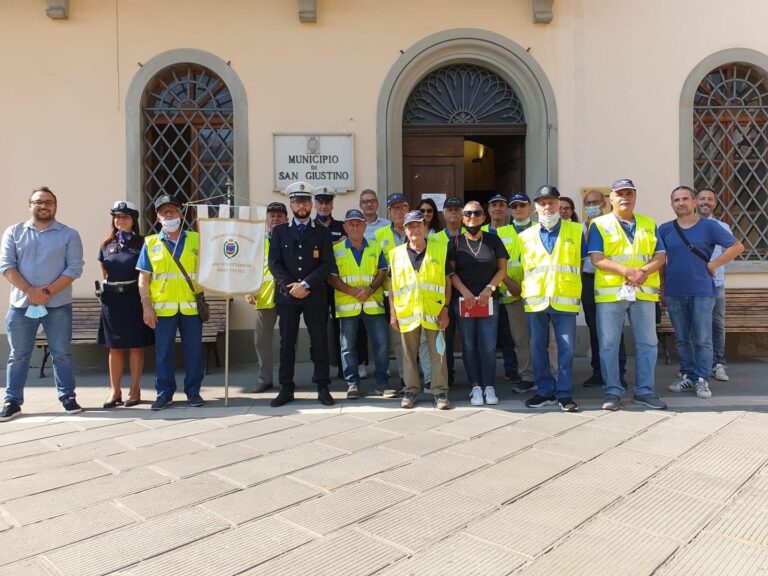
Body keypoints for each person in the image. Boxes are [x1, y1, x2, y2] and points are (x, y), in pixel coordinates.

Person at [0, 186, 84, 421]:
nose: (44, 205)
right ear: (30, 205)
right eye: (38, 201)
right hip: (21, 305)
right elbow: (6, 266)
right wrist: (29, 291)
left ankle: (67, 397)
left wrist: (46, 291)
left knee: (62, 353)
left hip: (57, 305)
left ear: (56, 207)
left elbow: (74, 268)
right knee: (18, 354)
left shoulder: (69, 234)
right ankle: (12, 401)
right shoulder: (13, 232)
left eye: (49, 202)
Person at [588, 179, 667, 411]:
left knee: (648, 342)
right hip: (611, 294)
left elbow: (660, 256)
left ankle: (644, 392)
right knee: (609, 343)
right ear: (610, 198)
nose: (625, 197)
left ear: (635, 196)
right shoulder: (599, 224)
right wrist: (627, 271)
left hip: (643, 292)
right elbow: (597, 258)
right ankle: (612, 391)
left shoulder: (648, 223)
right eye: (620, 193)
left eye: (629, 193)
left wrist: (642, 272)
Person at [659, 186, 743, 399]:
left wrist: (715, 263)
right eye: (676, 200)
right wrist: (662, 288)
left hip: (703, 292)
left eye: (685, 198)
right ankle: (687, 375)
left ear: (694, 202)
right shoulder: (665, 229)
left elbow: (736, 247)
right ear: (672, 204)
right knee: (682, 338)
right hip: (675, 292)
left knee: (703, 338)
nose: (681, 203)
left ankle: (702, 379)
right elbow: (660, 261)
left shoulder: (710, 227)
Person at [269, 182, 335, 407]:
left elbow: (327, 263)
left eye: (306, 201)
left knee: (319, 341)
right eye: (297, 201)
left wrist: (306, 284)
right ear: (291, 204)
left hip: (314, 294)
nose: (302, 205)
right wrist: (291, 286)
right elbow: (274, 264)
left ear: (311, 204)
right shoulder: (279, 232)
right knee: (287, 343)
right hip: (287, 297)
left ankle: (323, 387)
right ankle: (285, 388)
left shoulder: (322, 232)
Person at [137, 194, 206, 411]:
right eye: (164, 212)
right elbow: (143, 278)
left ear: (181, 214)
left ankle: (193, 392)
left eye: (173, 211)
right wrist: (146, 306)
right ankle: (164, 393)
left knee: (194, 352)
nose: (169, 215)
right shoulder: (150, 243)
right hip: (163, 309)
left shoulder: (196, 239)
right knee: (164, 353)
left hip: (190, 306)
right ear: (158, 218)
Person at [519, 186, 584, 413]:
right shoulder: (524, 236)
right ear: (535, 208)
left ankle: (564, 394)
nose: (548, 207)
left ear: (559, 205)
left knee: (565, 349)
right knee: (537, 347)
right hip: (535, 300)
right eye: (543, 203)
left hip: (564, 298)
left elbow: (583, 263)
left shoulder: (576, 231)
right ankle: (545, 391)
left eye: (552, 202)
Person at [388, 210, 452, 410]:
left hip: (434, 311)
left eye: (418, 225)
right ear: (405, 230)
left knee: (438, 354)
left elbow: (447, 282)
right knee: (408, 355)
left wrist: (445, 309)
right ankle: (410, 390)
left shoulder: (440, 249)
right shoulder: (395, 254)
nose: (414, 229)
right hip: (406, 312)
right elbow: (392, 286)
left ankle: (440, 392)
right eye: (410, 226)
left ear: (425, 227)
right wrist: (393, 312)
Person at [449, 201, 509, 405]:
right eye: (467, 214)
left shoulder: (493, 240)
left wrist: (489, 288)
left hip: (489, 300)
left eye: (476, 213)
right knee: (469, 345)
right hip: (464, 301)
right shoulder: (455, 242)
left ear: (484, 218)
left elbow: (502, 269)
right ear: (462, 218)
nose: (472, 217)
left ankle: (489, 386)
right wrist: (464, 292)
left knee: (489, 346)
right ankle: (475, 387)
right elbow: (451, 273)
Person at [98, 201, 155, 408]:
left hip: (134, 298)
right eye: (117, 216)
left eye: (125, 217)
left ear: (133, 220)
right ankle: (115, 391)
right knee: (114, 347)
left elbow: (146, 273)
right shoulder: (107, 244)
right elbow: (103, 269)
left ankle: (135, 388)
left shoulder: (143, 243)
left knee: (136, 345)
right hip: (112, 300)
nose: (120, 220)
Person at [327, 209, 389, 399]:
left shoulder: (376, 246)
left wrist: (369, 289)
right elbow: (331, 278)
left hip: (373, 303)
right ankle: (352, 383)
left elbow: (382, 270)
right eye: (351, 224)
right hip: (348, 305)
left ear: (364, 225)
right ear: (345, 227)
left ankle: (382, 383)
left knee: (381, 344)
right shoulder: (336, 250)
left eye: (358, 223)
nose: (355, 227)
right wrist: (354, 292)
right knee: (347, 346)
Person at [581, 188, 628, 389]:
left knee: (614, 329)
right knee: (594, 327)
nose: (592, 207)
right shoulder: (581, 228)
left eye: (595, 202)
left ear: (604, 203)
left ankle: (619, 373)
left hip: (610, 281)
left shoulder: (613, 224)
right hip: (589, 280)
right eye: (588, 204)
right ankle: (598, 371)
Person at [245, 201, 288, 393]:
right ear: (266, 219)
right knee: (261, 340)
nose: (275, 218)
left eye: (279, 215)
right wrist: (249, 289)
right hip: (264, 296)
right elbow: (250, 267)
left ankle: (288, 378)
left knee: (288, 340)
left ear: (286, 218)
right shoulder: (257, 241)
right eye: (272, 215)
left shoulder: (293, 237)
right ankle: (265, 379)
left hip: (287, 295)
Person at [694, 188, 732, 382]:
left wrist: (714, 265)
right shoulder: (688, 225)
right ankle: (695, 366)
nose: (705, 202)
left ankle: (718, 364)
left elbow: (732, 251)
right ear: (695, 202)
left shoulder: (723, 227)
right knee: (696, 326)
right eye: (702, 199)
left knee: (716, 325)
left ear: (715, 203)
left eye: (710, 199)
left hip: (716, 284)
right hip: (694, 285)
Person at [376, 193, 410, 397]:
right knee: (397, 339)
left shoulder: (417, 230)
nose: (399, 212)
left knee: (421, 338)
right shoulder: (379, 235)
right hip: (390, 295)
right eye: (394, 208)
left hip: (416, 294)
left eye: (402, 207)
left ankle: (425, 376)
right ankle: (406, 377)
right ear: (388, 211)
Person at [484, 193, 519, 385]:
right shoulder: (477, 230)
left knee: (510, 335)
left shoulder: (515, 232)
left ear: (507, 210)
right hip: (486, 292)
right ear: (488, 210)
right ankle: (485, 374)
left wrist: (507, 282)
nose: (497, 208)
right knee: (487, 336)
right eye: (493, 205)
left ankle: (512, 370)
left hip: (510, 292)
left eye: (501, 205)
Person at [314, 186, 345, 378]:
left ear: (332, 205)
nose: (324, 206)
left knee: (340, 327)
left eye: (327, 203)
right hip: (317, 285)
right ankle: (320, 370)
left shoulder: (341, 226)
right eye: (321, 203)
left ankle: (344, 367)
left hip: (338, 283)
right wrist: (333, 245)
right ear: (315, 204)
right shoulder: (309, 227)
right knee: (317, 328)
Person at [433, 196, 463, 385]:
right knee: (445, 337)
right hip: (444, 294)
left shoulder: (470, 235)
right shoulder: (434, 238)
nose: (453, 212)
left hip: (467, 293)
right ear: (443, 214)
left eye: (456, 209)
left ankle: (474, 379)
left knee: (469, 339)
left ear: (462, 213)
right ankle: (447, 376)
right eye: (449, 209)